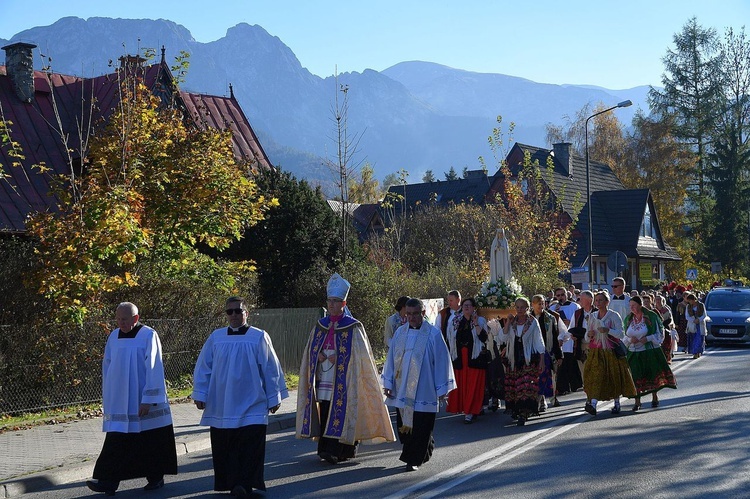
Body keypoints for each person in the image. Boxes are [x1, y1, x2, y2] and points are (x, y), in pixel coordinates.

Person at [192, 297, 288, 498]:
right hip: (222, 403)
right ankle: (231, 482)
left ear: (246, 313)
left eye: (238, 311)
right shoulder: (216, 337)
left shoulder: (258, 336)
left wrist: (274, 396)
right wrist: (200, 393)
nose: (234, 315)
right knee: (226, 447)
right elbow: (203, 367)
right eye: (230, 312)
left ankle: (245, 483)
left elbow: (271, 368)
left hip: (252, 402)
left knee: (250, 446)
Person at [296, 273, 395, 463]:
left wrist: (339, 357)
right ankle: (325, 448)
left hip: (345, 378)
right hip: (324, 375)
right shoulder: (320, 325)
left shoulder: (354, 327)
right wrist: (319, 355)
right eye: (330, 301)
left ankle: (340, 451)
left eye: (336, 301)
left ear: (344, 303)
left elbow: (360, 356)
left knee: (342, 410)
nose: (332, 304)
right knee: (325, 409)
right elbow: (311, 350)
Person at [86, 302, 177, 496]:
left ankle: (155, 477)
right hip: (120, 400)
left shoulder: (148, 335)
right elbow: (107, 366)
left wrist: (148, 399)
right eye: (118, 319)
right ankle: (108, 482)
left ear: (135, 318)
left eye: (125, 319)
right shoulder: (113, 336)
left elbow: (154, 367)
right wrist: (109, 396)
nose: (121, 323)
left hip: (141, 398)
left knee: (150, 440)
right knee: (116, 440)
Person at [382, 298, 456, 472]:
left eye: (415, 314)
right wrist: (388, 382)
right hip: (402, 389)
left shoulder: (433, 334)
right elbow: (391, 360)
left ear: (423, 313)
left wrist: (441, 389)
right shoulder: (400, 333)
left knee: (422, 425)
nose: (412, 317)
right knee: (406, 426)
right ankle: (419, 450)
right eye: (408, 314)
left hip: (425, 388)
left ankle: (413, 459)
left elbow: (442, 361)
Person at [582, 291, 636, 416]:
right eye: (596, 300)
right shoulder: (593, 316)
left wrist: (608, 330)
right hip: (596, 351)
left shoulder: (613, 315)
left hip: (611, 351)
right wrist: (589, 335)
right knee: (595, 376)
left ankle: (617, 403)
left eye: (600, 300)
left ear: (607, 302)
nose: (598, 303)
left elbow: (621, 334)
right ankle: (593, 404)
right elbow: (586, 335)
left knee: (613, 376)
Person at [623, 296, 677, 411]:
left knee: (651, 375)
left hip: (649, 352)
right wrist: (629, 340)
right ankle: (637, 402)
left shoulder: (651, 317)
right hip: (634, 353)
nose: (632, 308)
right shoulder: (628, 319)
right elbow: (624, 336)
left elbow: (660, 334)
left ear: (640, 305)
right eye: (630, 306)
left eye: (634, 305)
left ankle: (654, 397)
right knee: (635, 376)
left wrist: (648, 338)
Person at [498, 297, 546, 426]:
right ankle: (516, 409)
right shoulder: (512, 322)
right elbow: (502, 337)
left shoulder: (532, 322)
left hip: (528, 358)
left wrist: (542, 360)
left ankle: (524, 412)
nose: (519, 310)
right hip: (513, 359)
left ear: (527, 308)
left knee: (526, 386)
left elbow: (539, 341)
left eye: (522, 307)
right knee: (514, 386)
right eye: (517, 307)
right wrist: (507, 322)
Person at [446, 297, 488, 423]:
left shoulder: (480, 320)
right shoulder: (455, 321)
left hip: (474, 358)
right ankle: (466, 409)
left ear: (474, 308)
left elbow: (484, 338)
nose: (466, 307)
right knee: (462, 385)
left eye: (469, 305)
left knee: (473, 386)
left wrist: (475, 324)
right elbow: (450, 338)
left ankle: (470, 411)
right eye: (464, 305)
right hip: (460, 358)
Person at [530, 295, 564, 412]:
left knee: (545, 376)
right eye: (538, 303)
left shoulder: (550, 318)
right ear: (533, 305)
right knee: (534, 377)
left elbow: (555, 337)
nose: (541, 306)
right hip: (532, 352)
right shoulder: (528, 318)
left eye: (542, 303)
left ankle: (543, 399)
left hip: (546, 352)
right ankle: (539, 399)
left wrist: (559, 355)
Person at [552, 287, 582, 398]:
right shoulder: (553, 307)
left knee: (571, 363)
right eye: (558, 295)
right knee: (561, 365)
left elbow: (579, 320)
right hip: (559, 339)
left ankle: (575, 385)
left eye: (562, 294)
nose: (560, 297)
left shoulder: (574, 306)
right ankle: (562, 387)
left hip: (570, 338)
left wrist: (570, 322)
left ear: (567, 294)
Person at [684, 292, 707, 359]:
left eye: (690, 300)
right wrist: (693, 320)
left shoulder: (701, 305)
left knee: (699, 339)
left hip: (700, 325)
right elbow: (687, 316)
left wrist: (699, 320)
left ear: (694, 299)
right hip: (692, 325)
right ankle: (694, 353)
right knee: (693, 339)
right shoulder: (688, 307)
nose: (689, 302)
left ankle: (698, 352)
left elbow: (704, 315)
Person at [655, 294, 676, 364]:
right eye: (656, 300)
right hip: (656, 329)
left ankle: (667, 358)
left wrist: (663, 324)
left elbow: (670, 319)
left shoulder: (666, 309)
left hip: (665, 328)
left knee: (666, 345)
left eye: (659, 300)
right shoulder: (653, 310)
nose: (658, 301)